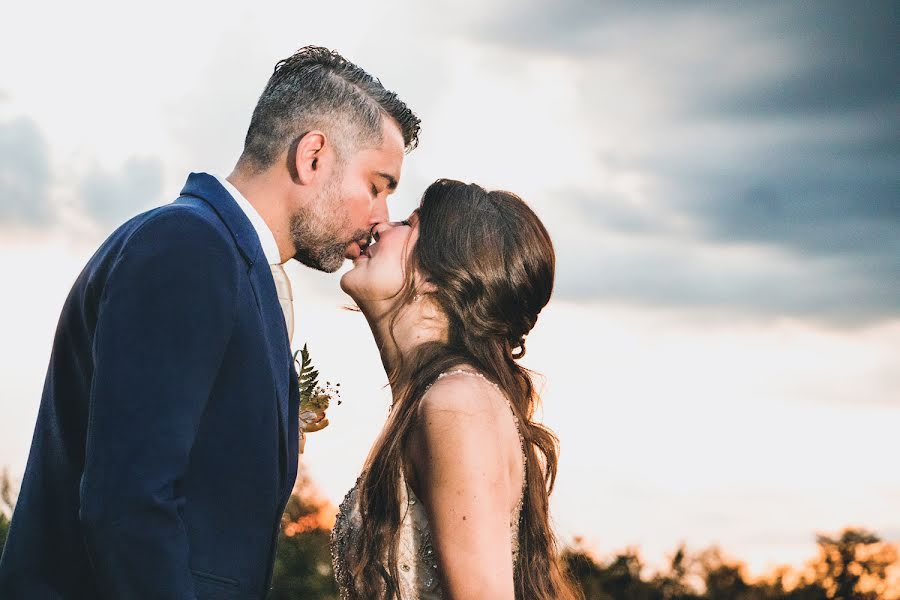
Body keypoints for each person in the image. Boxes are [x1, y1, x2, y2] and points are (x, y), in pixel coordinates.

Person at [0, 46, 420, 598]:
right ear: (313, 157)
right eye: (377, 184)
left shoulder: (228, 260)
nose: (381, 217)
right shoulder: (188, 248)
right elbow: (128, 503)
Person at [333, 179, 579, 599]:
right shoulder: (433, 400)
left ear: (436, 276)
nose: (381, 226)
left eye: (408, 225)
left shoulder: (456, 404)